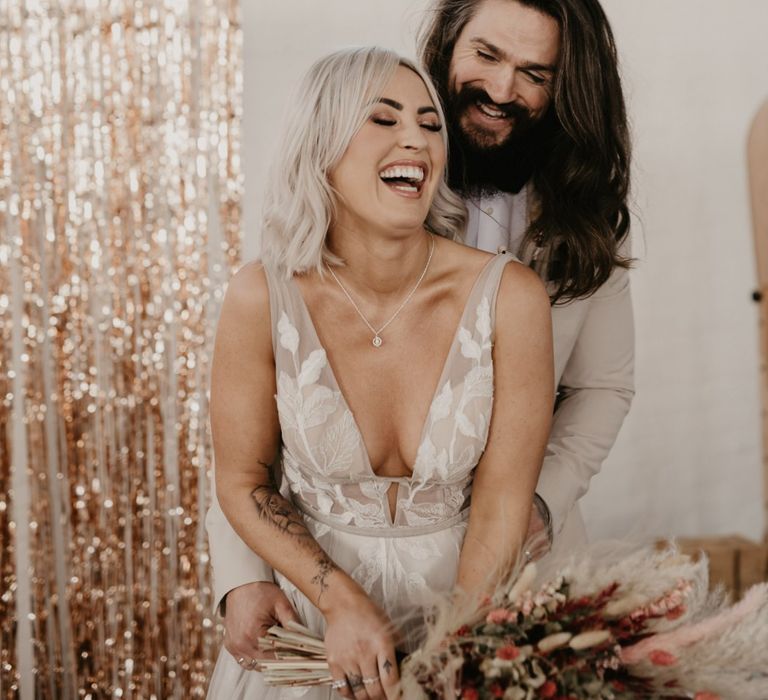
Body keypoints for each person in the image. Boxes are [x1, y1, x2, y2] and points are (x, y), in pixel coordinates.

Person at [208, 0, 634, 677]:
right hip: (318, 606)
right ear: (447, 45)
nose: (502, 89)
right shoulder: (278, 275)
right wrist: (244, 576)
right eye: (488, 56)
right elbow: (247, 455)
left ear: (564, 88)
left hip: (500, 583)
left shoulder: (583, 220)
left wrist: (536, 505)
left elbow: (603, 387)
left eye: (534, 72)